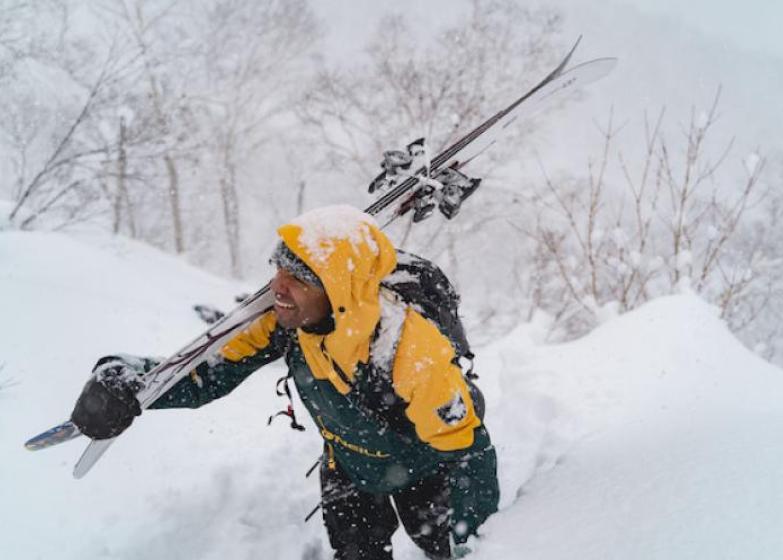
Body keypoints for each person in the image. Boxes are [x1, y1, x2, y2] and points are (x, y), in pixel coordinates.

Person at [71, 205, 499, 560]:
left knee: (444, 549)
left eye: (297, 278)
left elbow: (467, 453)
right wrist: (128, 381)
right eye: (278, 269)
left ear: (339, 290)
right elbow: (208, 373)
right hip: (348, 468)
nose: (276, 287)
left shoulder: (411, 353)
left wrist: (473, 542)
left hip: (426, 471)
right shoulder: (286, 322)